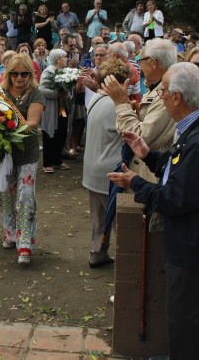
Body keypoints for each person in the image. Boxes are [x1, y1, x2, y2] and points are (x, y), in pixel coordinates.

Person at [108, 62, 199, 360]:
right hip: (198, 240)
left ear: (177, 98)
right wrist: (149, 156)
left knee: (186, 316)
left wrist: (136, 182)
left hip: (195, 246)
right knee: (185, 315)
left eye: (163, 91)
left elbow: (174, 198)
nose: (160, 96)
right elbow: (182, 173)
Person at [103, 38, 177, 231]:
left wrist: (121, 103)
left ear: (154, 63)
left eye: (141, 60)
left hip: (151, 176)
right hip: (144, 172)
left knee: (141, 237)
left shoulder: (166, 94)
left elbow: (139, 136)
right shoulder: (156, 89)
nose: (139, 66)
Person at [82, 58, 131, 268]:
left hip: (92, 167)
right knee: (120, 218)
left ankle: (97, 252)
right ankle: (129, 257)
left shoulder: (95, 100)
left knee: (98, 216)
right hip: (110, 171)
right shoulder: (116, 105)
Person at [0, 54, 45, 264]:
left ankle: (25, 242)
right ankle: (10, 233)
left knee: (25, 197)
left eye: (24, 73)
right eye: (15, 73)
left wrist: (7, 125)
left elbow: (33, 122)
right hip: (4, 152)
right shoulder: (0, 92)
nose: (19, 77)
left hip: (27, 152)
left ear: (30, 74)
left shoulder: (36, 93)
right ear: (9, 74)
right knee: (6, 194)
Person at [40, 49, 71, 173]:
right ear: (58, 59)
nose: (67, 59)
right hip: (52, 107)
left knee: (62, 132)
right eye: (65, 57)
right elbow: (41, 90)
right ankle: (48, 162)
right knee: (50, 134)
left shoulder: (66, 71)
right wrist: (58, 93)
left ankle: (58, 160)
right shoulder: (49, 71)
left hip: (63, 107)